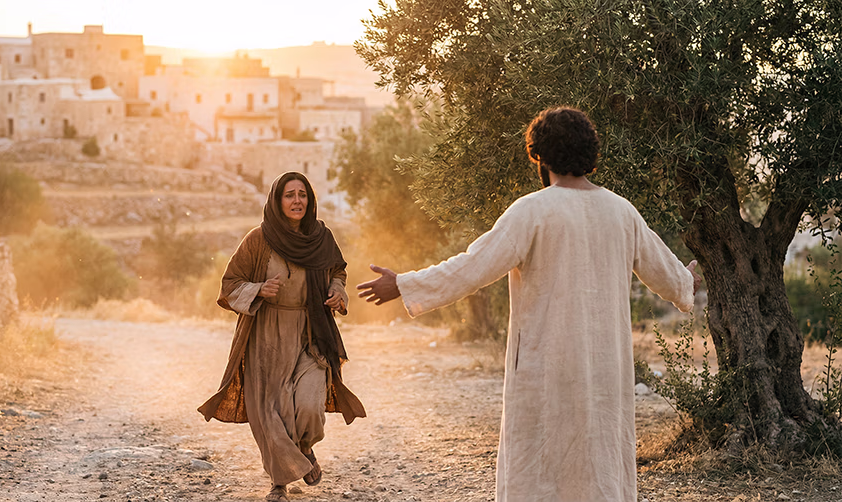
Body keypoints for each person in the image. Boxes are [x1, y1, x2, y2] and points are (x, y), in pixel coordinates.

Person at [357, 107, 701, 501]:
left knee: (539, 470)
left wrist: (404, 284)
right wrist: (685, 282)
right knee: (600, 463)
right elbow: (666, 272)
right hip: (605, 368)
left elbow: (472, 267)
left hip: (544, 369)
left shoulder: (531, 211)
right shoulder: (622, 212)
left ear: (539, 155)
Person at [198, 171, 366, 502]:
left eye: (302, 194)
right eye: (289, 195)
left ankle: (303, 449)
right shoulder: (258, 240)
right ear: (277, 201)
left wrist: (337, 289)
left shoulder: (321, 237)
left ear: (310, 199)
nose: (296, 201)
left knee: (308, 404)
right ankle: (279, 483)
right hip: (266, 337)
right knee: (269, 412)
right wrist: (259, 289)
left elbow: (337, 271)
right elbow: (229, 285)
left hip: (310, 332)